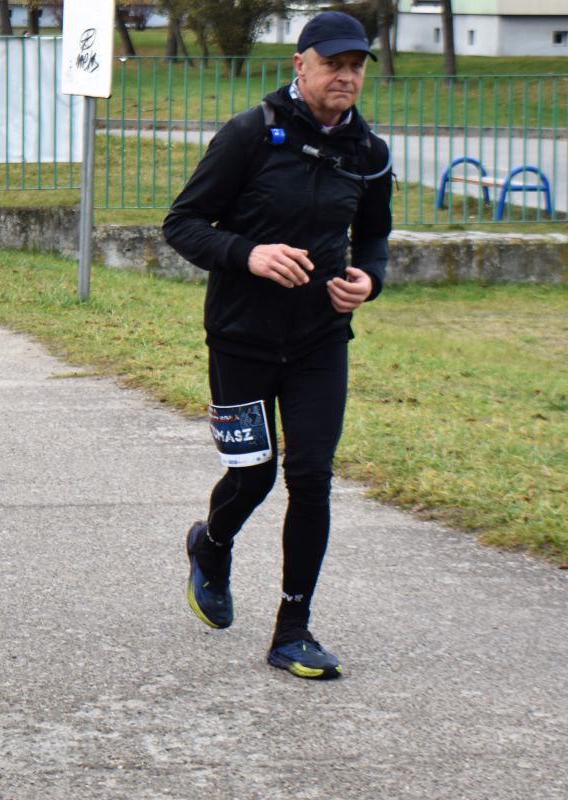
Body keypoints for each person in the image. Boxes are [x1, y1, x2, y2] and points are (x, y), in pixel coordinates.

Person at [162, 11, 392, 680]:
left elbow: (374, 237)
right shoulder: (251, 134)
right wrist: (250, 254)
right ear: (301, 65)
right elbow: (182, 224)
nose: (346, 76)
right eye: (333, 64)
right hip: (242, 337)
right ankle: (212, 543)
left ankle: (294, 629)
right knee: (253, 475)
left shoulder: (369, 153)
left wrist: (369, 280)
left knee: (311, 476)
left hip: (320, 339)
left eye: (356, 66)